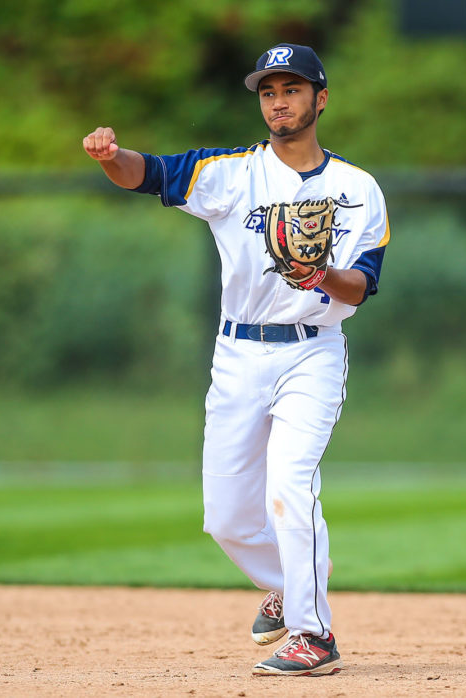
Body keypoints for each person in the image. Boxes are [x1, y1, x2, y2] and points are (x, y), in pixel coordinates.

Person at [83, 42, 389, 677]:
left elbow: (362, 284)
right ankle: (291, 579)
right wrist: (112, 157)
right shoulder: (233, 173)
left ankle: (313, 633)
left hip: (311, 354)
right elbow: (150, 174)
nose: (279, 101)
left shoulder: (357, 189)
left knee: (289, 484)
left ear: (320, 99)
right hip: (236, 354)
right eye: (269, 91)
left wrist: (321, 273)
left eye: (293, 89)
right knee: (223, 516)